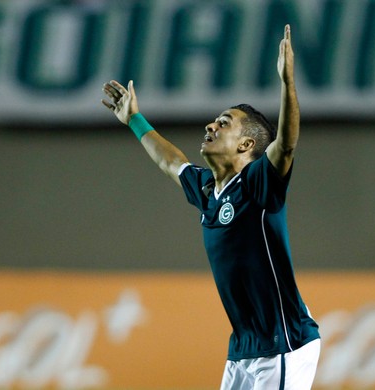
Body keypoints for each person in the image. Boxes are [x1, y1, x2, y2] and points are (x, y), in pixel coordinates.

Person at [101, 25, 320, 389]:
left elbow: (287, 144)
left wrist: (287, 84)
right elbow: (170, 161)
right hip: (244, 347)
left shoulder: (258, 185)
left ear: (246, 144)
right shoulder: (207, 189)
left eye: (224, 123)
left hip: (284, 344)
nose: (211, 124)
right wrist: (135, 120)